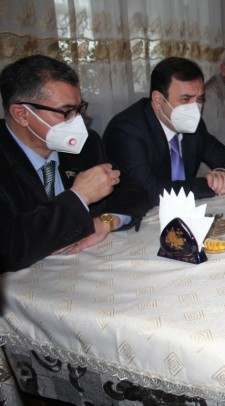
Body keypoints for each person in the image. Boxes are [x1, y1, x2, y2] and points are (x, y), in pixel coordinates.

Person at [0, 55, 148, 272]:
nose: (77, 121)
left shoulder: (86, 144)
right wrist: (79, 197)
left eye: (79, 109)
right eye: (66, 111)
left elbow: (134, 191)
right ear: (22, 114)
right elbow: (8, 247)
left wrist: (107, 220)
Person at [103, 57, 225, 208]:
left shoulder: (193, 125)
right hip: (135, 214)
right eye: (185, 99)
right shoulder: (126, 130)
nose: (195, 109)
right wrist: (208, 185)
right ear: (158, 100)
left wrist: (221, 174)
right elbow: (149, 192)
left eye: (199, 99)